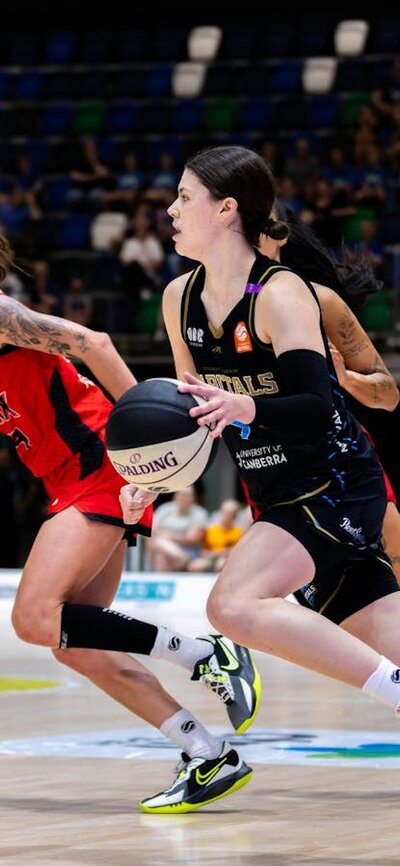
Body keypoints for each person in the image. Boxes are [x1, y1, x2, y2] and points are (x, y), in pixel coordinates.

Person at [121, 145, 400, 736]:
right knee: (382, 632)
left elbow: (315, 406)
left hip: (334, 483)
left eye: (183, 197)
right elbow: (187, 411)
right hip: (274, 492)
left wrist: (246, 404)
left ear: (226, 210)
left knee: (232, 606)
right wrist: (148, 481)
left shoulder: (281, 293)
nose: (170, 210)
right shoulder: (179, 298)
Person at [0, 233, 260, 813]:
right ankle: (206, 751)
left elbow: (93, 342)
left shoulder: (1, 314)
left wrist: (142, 437)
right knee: (74, 640)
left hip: (99, 459)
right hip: (67, 476)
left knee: (34, 617)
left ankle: (204, 655)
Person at [258, 203, 400, 582]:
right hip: (264, 468)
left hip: (338, 462)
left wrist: (347, 380)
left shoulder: (317, 300)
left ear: (278, 236)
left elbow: (389, 394)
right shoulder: (195, 306)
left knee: (392, 563)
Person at [148, 486, 208, 572]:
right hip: (169, 551)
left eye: (188, 495)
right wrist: (170, 539)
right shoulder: (165, 509)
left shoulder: (199, 513)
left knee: (160, 545)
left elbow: (191, 539)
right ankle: (180, 557)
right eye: (182, 495)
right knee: (160, 554)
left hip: (189, 551)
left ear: (193, 498)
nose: (184, 498)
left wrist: (169, 536)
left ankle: (165, 578)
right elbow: (152, 530)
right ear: (176, 496)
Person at [188, 498, 244, 574]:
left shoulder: (238, 532)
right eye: (224, 512)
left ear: (234, 516)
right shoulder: (210, 529)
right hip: (209, 559)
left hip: (226, 560)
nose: (226, 515)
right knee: (194, 566)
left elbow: (235, 551)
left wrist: (215, 553)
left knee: (221, 564)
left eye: (229, 513)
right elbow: (202, 549)